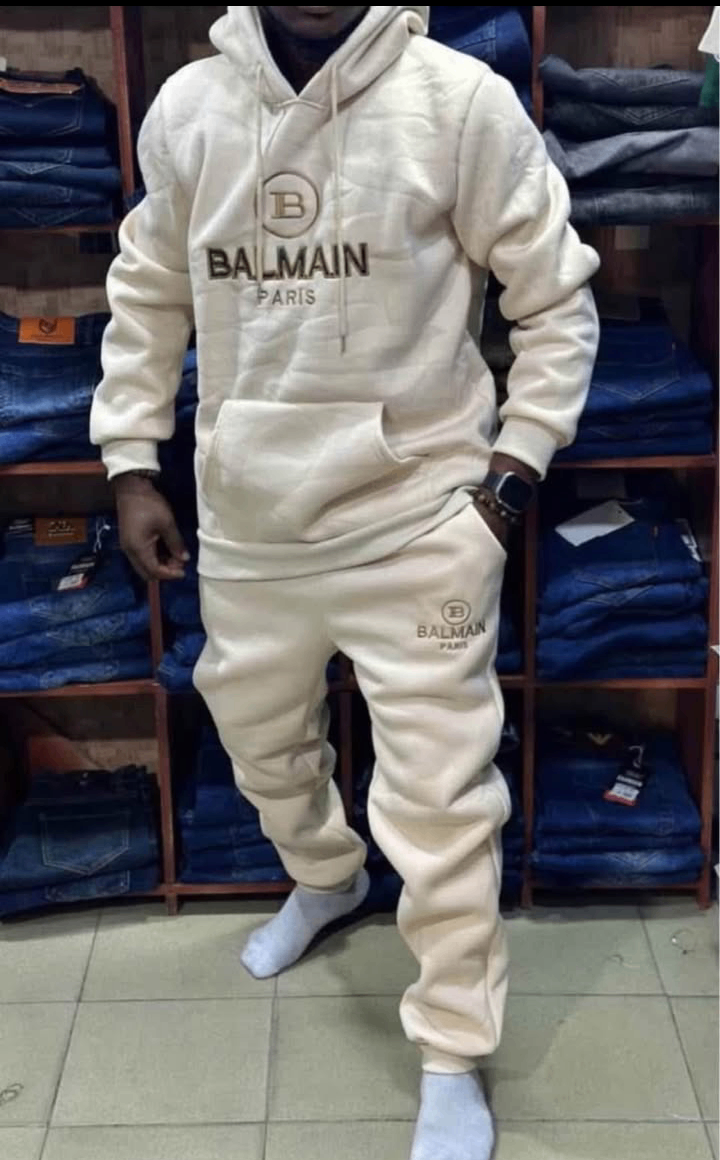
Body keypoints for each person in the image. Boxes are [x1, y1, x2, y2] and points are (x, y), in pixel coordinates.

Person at [91, 7, 599, 1158]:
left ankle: (453, 1051)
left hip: (419, 520)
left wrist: (510, 477)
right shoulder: (190, 108)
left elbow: (554, 296)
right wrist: (130, 461)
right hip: (250, 524)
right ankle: (326, 877)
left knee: (442, 802)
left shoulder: (458, 100)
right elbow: (149, 290)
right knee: (260, 743)